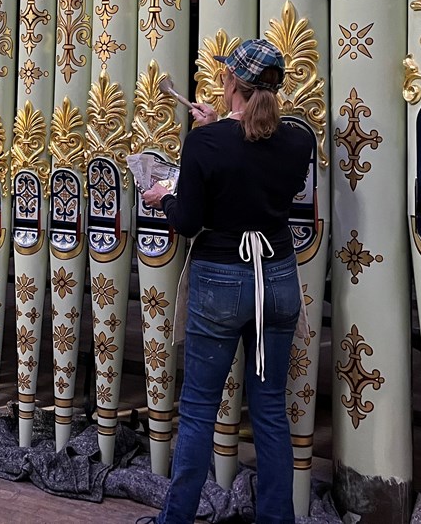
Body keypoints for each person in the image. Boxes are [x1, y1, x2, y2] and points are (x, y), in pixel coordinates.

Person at [140, 38, 313, 524]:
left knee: (197, 411)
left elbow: (191, 221)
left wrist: (161, 197)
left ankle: (174, 521)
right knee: (271, 413)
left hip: (220, 280)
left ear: (231, 81)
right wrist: (217, 130)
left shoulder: (205, 143)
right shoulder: (300, 141)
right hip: (277, 278)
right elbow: (256, 166)